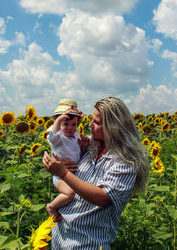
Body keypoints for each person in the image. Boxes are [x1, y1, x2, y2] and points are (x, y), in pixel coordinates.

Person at [43, 97, 149, 249]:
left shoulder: (126, 162)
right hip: (60, 236)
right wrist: (55, 163)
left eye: (97, 122)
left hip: (87, 242)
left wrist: (63, 173)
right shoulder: (89, 147)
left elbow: (103, 197)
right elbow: (61, 148)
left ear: (114, 127)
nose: (90, 125)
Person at [46, 98, 89, 222]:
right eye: (65, 124)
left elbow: (76, 155)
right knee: (70, 194)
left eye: (73, 124)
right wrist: (58, 121)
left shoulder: (75, 135)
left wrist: (83, 147)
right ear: (58, 124)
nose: (70, 128)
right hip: (60, 176)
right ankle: (52, 206)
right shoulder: (59, 137)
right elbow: (52, 137)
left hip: (71, 173)